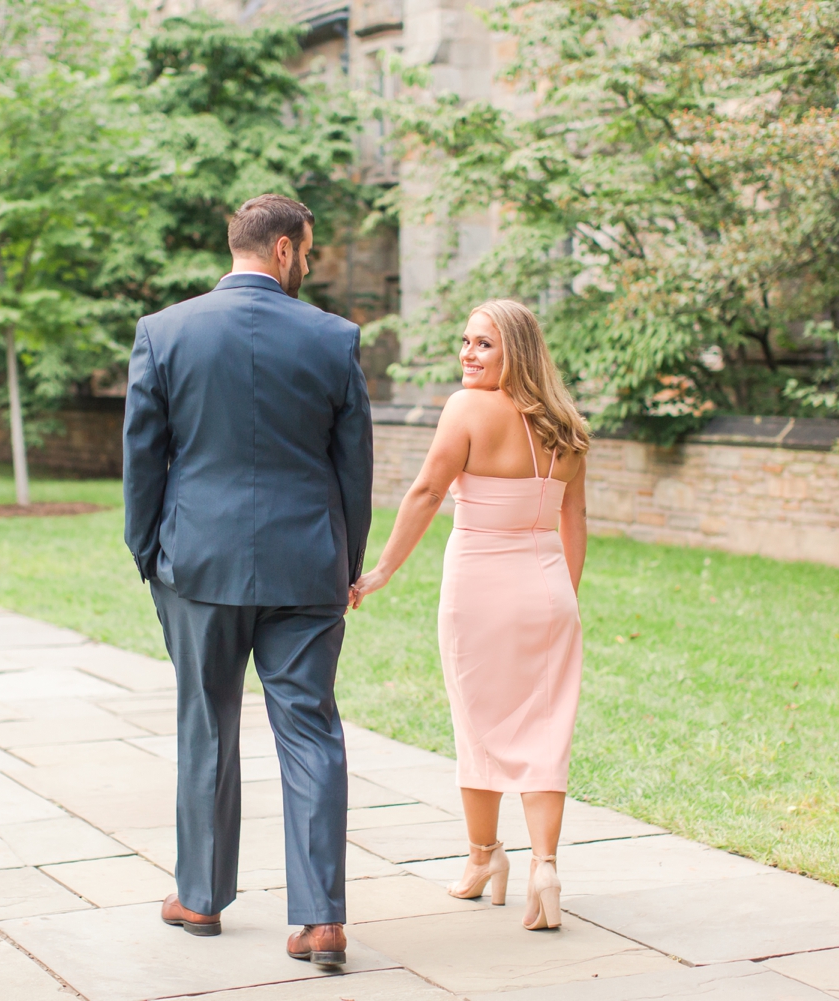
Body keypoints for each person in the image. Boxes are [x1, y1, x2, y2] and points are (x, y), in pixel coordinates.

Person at [123, 194, 373, 968]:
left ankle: (199, 897)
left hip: (197, 562)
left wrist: (147, 553)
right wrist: (347, 560)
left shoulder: (165, 333)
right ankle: (322, 919)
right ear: (283, 248)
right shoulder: (335, 339)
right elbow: (354, 469)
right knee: (309, 728)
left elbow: (142, 460)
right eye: (309, 250)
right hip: (305, 567)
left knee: (206, 723)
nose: (310, 263)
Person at [350, 298, 589, 931]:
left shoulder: (466, 410)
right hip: (549, 591)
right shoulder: (567, 423)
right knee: (545, 728)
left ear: (517, 351)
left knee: (478, 722)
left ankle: (485, 857)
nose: (467, 353)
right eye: (465, 341)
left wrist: (381, 571)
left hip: (480, 589)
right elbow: (574, 518)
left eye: (484, 343)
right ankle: (544, 866)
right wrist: (562, 594)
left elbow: (427, 491)